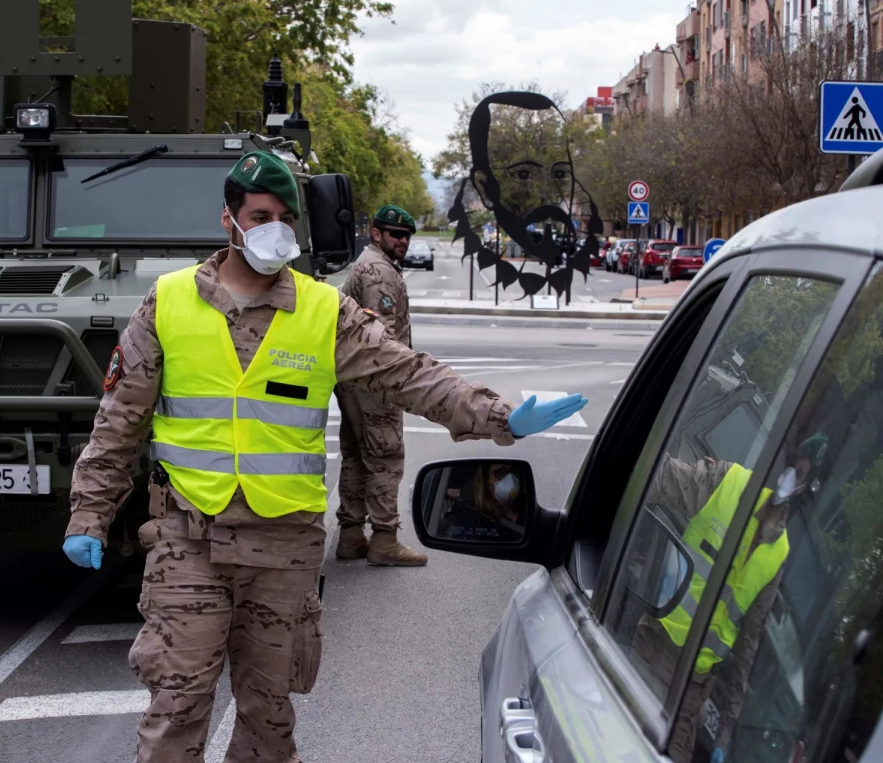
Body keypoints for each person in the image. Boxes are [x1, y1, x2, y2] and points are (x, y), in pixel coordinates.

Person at [63, 150, 587, 763]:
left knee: (268, 722)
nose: (275, 228)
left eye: (286, 216)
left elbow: (408, 373)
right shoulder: (170, 301)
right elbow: (119, 419)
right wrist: (88, 513)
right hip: (189, 541)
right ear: (228, 220)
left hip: (283, 547)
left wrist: (499, 416)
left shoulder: (323, 310)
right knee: (174, 716)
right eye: (261, 214)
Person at [632, 433, 826, 763]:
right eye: (792, 465)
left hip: (690, 691)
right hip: (650, 650)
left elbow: (749, 645)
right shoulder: (728, 481)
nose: (791, 475)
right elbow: (661, 479)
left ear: (803, 489)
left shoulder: (777, 555)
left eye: (801, 474)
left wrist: (724, 734)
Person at [333, 203, 426, 566]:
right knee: (386, 457)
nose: (403, 241)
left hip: (354, 378)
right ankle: (384, 539)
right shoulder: (378, 272)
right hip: (375, 380)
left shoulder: (371, 265)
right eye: (396, 235)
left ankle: (351, 535)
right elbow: (382, 338)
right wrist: (400, 381)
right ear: (377, 234)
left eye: (406, 236)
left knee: (356, 455)